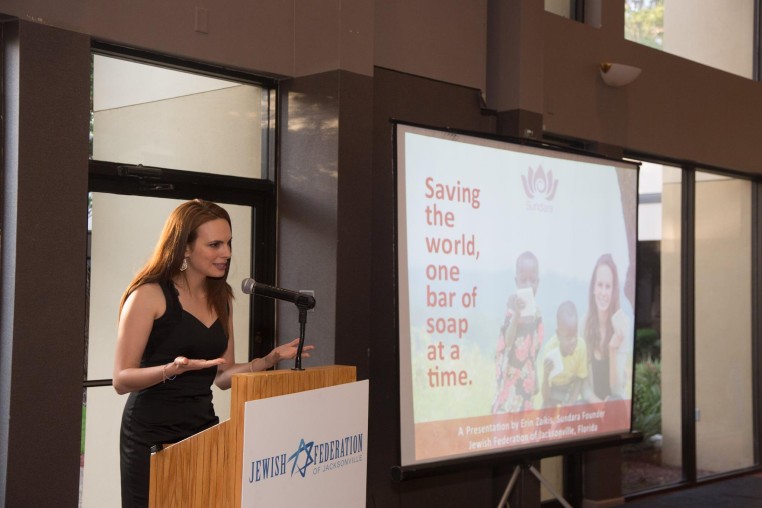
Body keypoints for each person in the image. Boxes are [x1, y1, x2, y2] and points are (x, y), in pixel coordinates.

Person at [112, 199, 314, 508]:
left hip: (202, 429)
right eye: (215, 244)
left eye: (229, 243)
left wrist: (269, 360)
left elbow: (222, 376)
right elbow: (121, 379)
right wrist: (171, 369)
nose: (227, 253)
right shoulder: (148, 295)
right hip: (149, 433)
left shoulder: (222, 298)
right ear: (185, 248)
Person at [492, 251, 544, 413]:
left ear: (538, 282)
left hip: (526, 384)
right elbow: (507, 341)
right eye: (523, 280)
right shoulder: (512, 309)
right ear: (516, 282)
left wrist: (536, 379)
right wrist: (516, 315)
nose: (528, 285)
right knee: (504, 421)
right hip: (510, 382)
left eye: (532, 280)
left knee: (524, 425)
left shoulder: (537, 314)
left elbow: (534, 350)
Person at [581, 253, 628, 402]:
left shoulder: (622, 325)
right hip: (594, 405)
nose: (603, 292)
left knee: (616, 400)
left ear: (614, 291)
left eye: (608, 287)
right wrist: (599, 406)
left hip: (614, 405)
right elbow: (584, 386)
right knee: (578, 404)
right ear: (593, 288)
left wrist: (612, 350)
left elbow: (617, 391)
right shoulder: (584, 324)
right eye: (600, 285)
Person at [540, 301, 587, 408]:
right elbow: (545, 398)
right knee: (546, 411)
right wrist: (546, 374)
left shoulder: (581, 346)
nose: (573, 341)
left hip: (570, 391)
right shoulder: (550, 350)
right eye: (568, 338)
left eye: (575, 335)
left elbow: (579, 379)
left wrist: (570, 403)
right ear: (558, 335)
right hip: (552, 392)